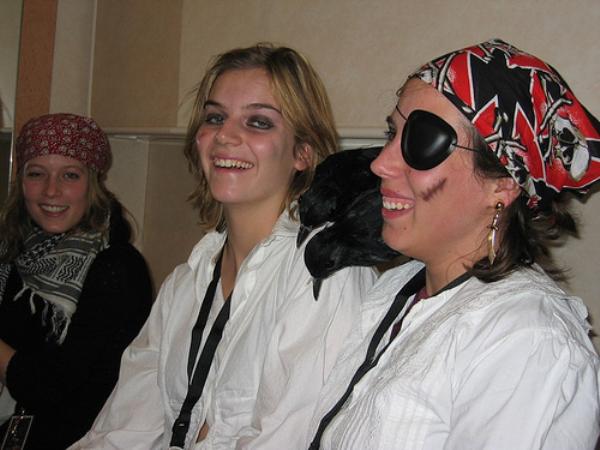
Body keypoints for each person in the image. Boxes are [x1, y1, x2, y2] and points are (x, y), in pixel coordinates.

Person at [73, 43, 375, 450]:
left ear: (303, 153)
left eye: (258, 122)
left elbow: (286, 440)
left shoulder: (324, 273)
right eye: (214, 117)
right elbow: (122, 431)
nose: (225, 136)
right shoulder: (185, 283)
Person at [308, 38, 600, 449]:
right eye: (392, 133)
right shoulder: (398, 289)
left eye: (420, 143)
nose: (380, 162)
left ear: (502, 184)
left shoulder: (526, 343)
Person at [0, 113, 153, 449]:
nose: (51, 190)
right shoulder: (12, 255)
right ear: (21, 181)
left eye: (70, 175)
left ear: (93, 183)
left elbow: (54, 387)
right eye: (36, 173)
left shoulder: (117, 268)